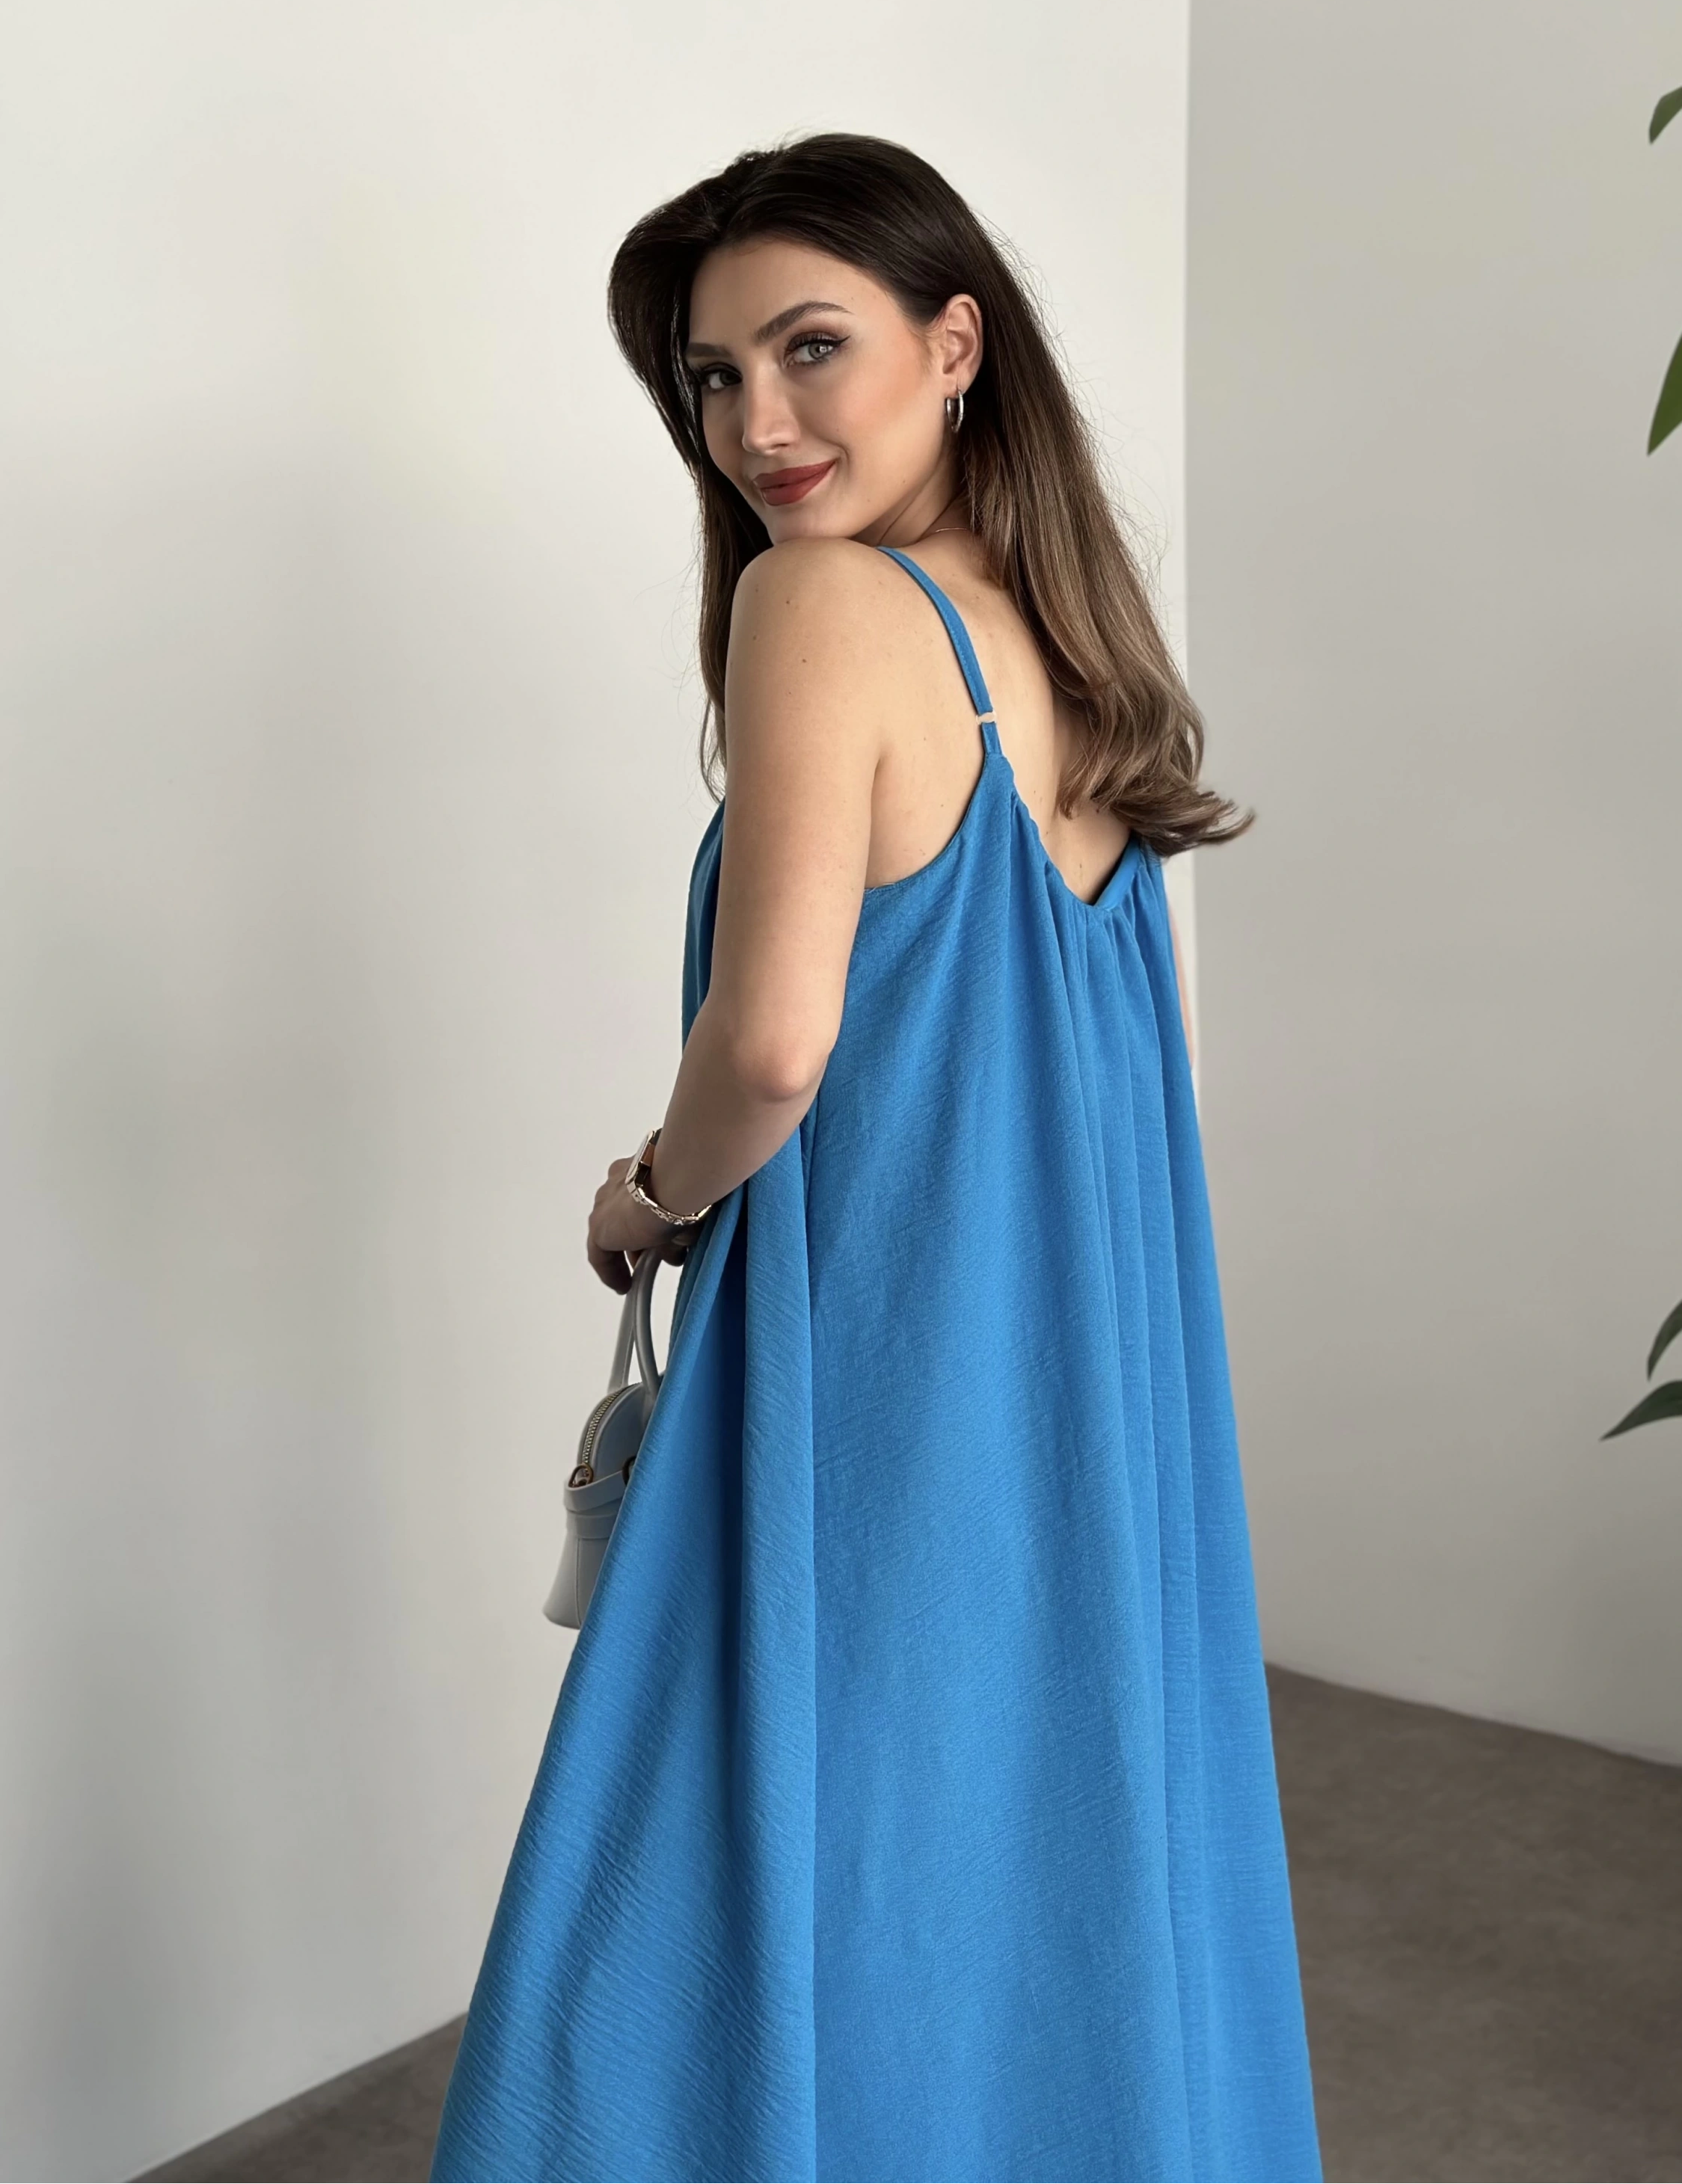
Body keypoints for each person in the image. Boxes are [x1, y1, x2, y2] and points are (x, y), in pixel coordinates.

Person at [429, 131, 1323, 2183]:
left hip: (881, 1370)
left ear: (957, 345)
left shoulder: (820, 605)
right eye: (712, 376)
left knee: (704, 1906)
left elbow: (774, 1044)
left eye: (809, 346)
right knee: (1025, 1872)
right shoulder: (1076, 657)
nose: (758, 421)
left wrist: (649, 1197)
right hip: (1081, 1391)